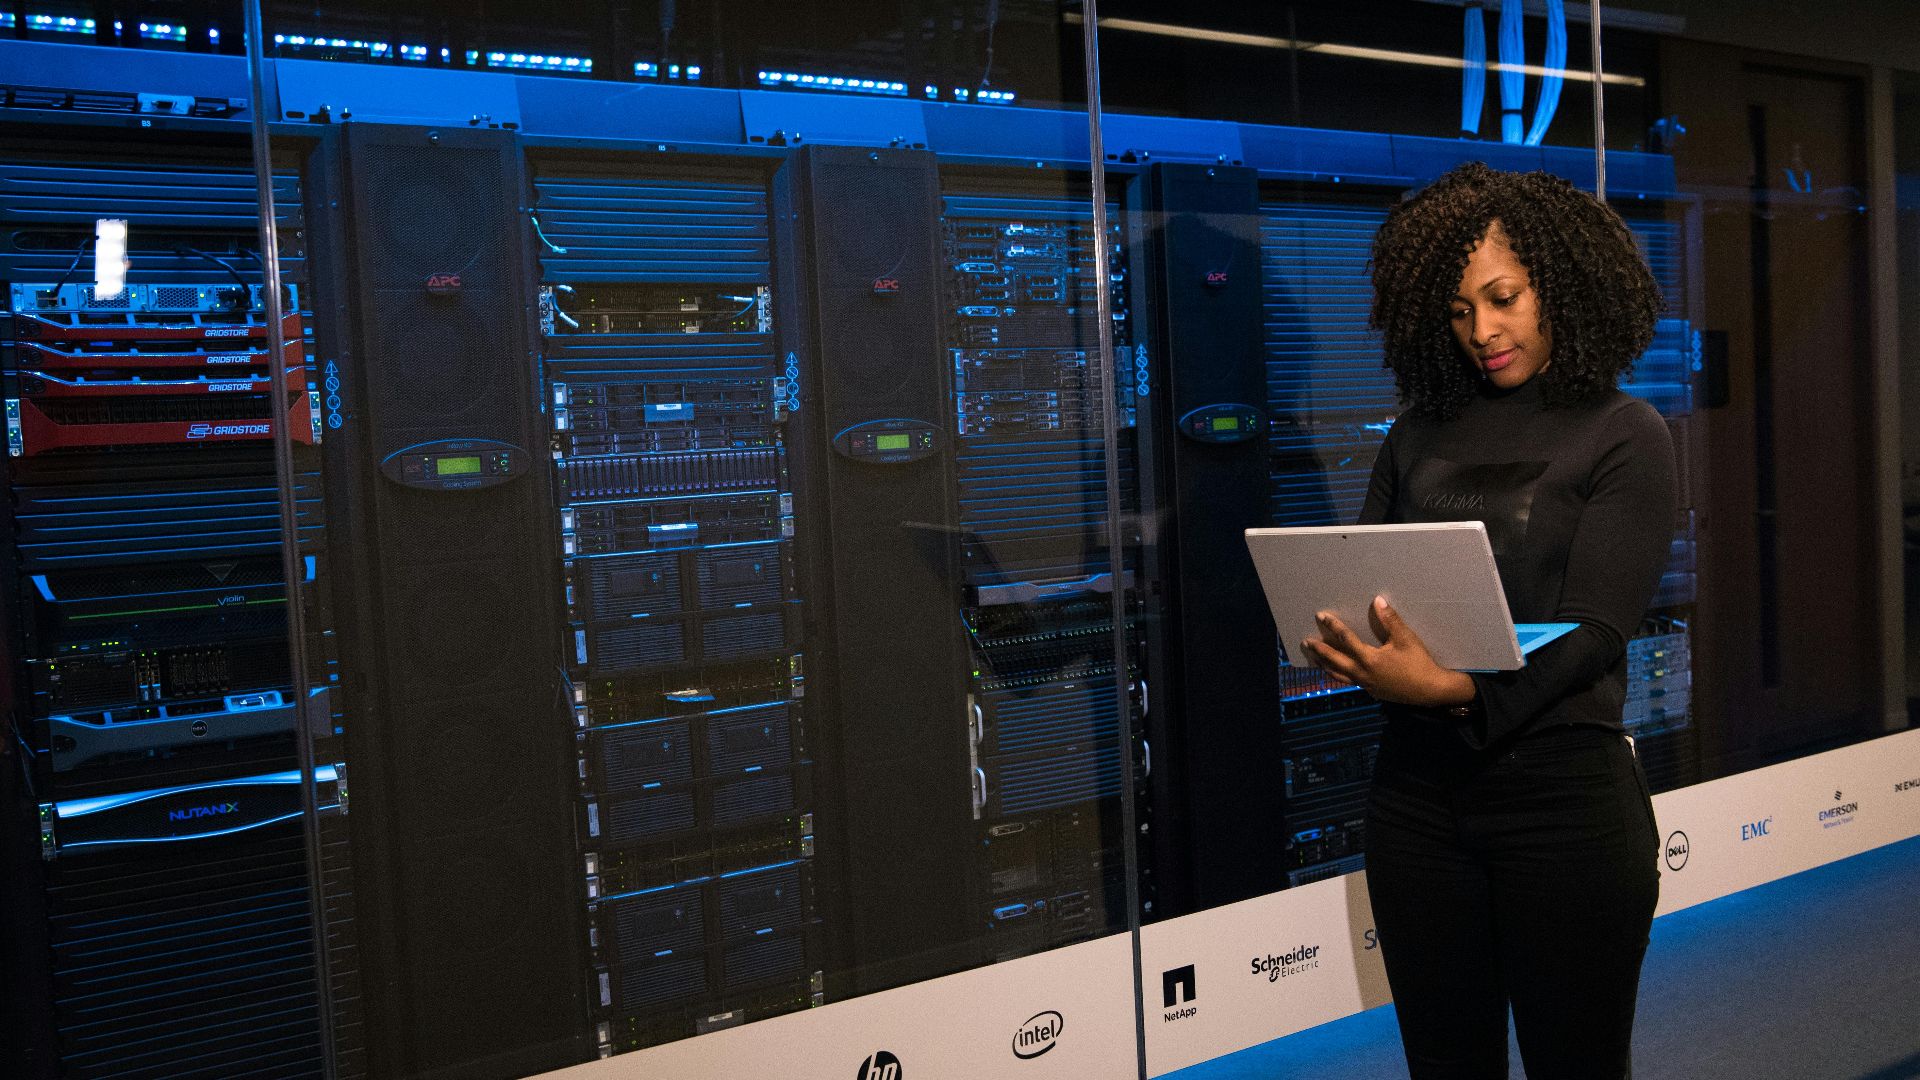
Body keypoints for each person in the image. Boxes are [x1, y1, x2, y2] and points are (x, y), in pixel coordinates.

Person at [1299, 162, 1675, 1080]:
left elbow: (1595, 630)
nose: (1483, 331)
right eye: (1461, 311)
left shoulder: (1626, 433)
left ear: (1560, 285)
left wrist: (1458, 691)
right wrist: (1353, 640)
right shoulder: (1414, 434)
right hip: (1417, 805)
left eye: (1503, 299)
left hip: (1566, 806)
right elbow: (1367, 581)